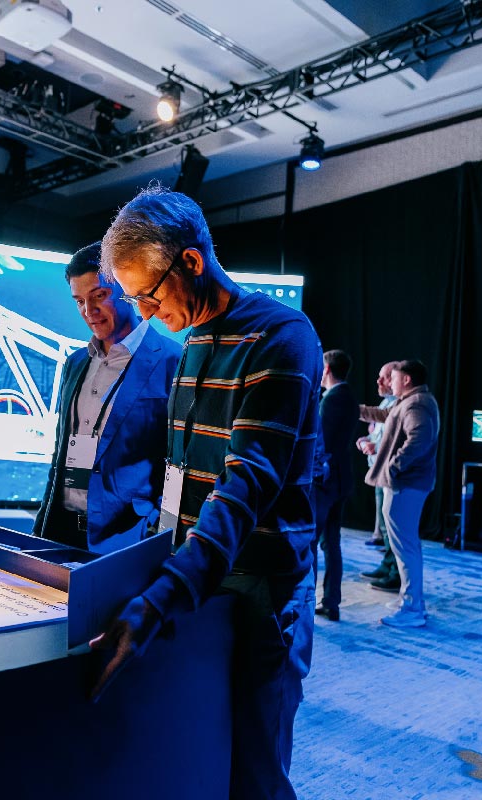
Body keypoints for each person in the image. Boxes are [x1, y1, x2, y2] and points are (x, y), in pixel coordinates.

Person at [90, 186, 321, 800]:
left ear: (191, 261)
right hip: (203, 577)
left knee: (256, 768)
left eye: (148, 295)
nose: (144, 314)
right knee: (203, 751)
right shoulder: (193, 338)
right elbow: (181, 475)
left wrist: (162, 596)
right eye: (134, 300)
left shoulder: (282, 336)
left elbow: (246, 485)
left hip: (262, 588)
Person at [33, 241, 181, 553]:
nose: (89, 312)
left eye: (99, 296)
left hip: (126, 538)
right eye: (79, 301)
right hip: (61, 529)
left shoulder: (173, 361)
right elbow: (61, 453)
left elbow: (177, 467)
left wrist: (157, 535)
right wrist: (41, 527)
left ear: (126, 289)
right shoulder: (75, 362)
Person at [360, 358, 439, 628]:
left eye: (393, 377)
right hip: (405, 484)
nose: (389, 382)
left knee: (405, 549)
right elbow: (385, 416)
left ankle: (412, 608)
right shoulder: (410, 401)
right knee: (406, 547)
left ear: (406, 379)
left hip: (405, 484)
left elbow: (419, 439)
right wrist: (354, 410)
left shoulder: (417, 403)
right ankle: (411, 601)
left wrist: (393, 468)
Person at [314, 349, 358, 621]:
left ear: (327, 369)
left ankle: (310, 600)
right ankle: (331, 601)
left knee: (313, 542)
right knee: (331, 543)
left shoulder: (332, 400)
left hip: (326, 481)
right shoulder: (348, 396)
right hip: (340, 480)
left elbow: (322, 444)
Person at [357, 362, 400, 590]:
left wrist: (376, 446)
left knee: (392, 527)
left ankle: (395, 572)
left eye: (384, 377)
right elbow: (378, 433)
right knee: (384, 527)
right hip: (378, 470)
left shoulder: (400, 404)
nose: (379, 381)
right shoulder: (386, 403)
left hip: (390, 473)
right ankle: (387, 565)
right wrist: (366, 441)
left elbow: (396, 440)